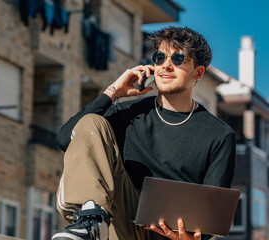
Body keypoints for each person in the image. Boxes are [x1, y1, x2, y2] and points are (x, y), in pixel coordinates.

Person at [51, 26, 236, 240]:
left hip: (170, 237)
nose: (166, 65)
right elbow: (66, 138)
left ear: (198, 72)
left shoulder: (219, 135)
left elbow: (212, 217)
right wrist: (112, 93)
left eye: (177, 59)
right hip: (121, 227)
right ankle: (90, 222)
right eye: (159, 57)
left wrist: (193, 238)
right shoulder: (127, 113)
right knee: (92, 122)